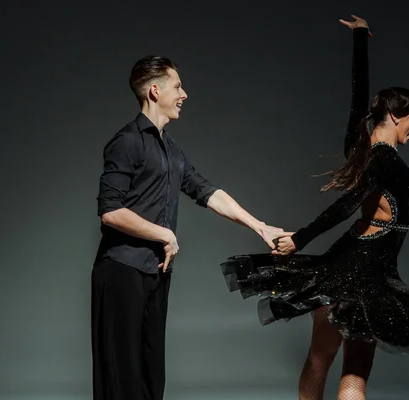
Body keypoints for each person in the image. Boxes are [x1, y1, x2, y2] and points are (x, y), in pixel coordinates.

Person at [220, 15, 409, 400]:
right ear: (398, 116)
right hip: (367, 276)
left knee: (319, 359)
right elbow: (348, 204)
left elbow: (359, 100)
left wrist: (359, 41)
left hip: (343, 267)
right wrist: (300, 239)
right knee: (354, 374)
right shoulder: (383, 160)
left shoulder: (362, 150)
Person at [92, 55, 290, 400]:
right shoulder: (126, 141)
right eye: (178, 86)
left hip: (155, 272)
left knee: (151, 375)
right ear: (155, 91)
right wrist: (164, 234)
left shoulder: (171, 149)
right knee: (120, 375)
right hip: (121, 270)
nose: (185, 94)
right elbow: (111, 211)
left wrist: (260, 227)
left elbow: (207, 191)